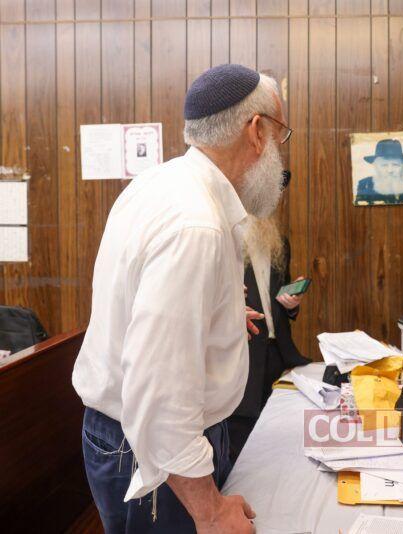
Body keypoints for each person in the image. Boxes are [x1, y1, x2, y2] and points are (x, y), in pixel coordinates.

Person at [72, 64, 293, 533]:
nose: (279, 150)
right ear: (256, 131)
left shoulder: (160, 182)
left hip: (133, 438)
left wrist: (219, 316)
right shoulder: (196, 224)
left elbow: (140, 302)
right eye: (280, 135)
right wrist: (209, 510)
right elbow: (159, 396)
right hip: (154, 452)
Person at [228, 214, 310, 463]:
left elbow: (279, 299)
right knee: (241, 442)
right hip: (243, 355)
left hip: (278, 354)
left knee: (278, 438)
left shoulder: (279, 242)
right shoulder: (224, 240)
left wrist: (291, 304)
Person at [355, 138, 403, 204]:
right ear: (376, 166)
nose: (390, 170)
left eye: (395, 165)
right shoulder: (364, 184)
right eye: (384, 165)